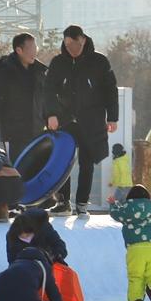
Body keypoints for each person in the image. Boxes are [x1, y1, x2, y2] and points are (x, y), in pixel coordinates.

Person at [44, 25, 119, 216]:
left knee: (87, 161)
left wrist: (112, 117)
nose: (70, 48)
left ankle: (82, 204)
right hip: (65, 119)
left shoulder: (99, 62)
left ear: (83, 40)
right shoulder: (58, 62)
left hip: (91, 119)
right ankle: (63, 202)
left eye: (74, 44)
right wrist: (51, 114)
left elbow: (111, 90)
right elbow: (49, 90)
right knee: (62, 160)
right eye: (67, 44)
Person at [0, 32, 48, 164]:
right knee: (19, 173)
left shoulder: (40, 71)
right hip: (14, 136)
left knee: (36, 174)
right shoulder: (4, 71)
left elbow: (46, 100)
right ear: (19, 50)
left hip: (37, 133)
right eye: (31, 49)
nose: (34, 52)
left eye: (36, 48)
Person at [108, 185, 151, 301]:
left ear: (130, 196)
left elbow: (115, 214)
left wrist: (113, 204)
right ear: (147, 196)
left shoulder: (126, 208)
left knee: (136, 276)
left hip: (135, 249)